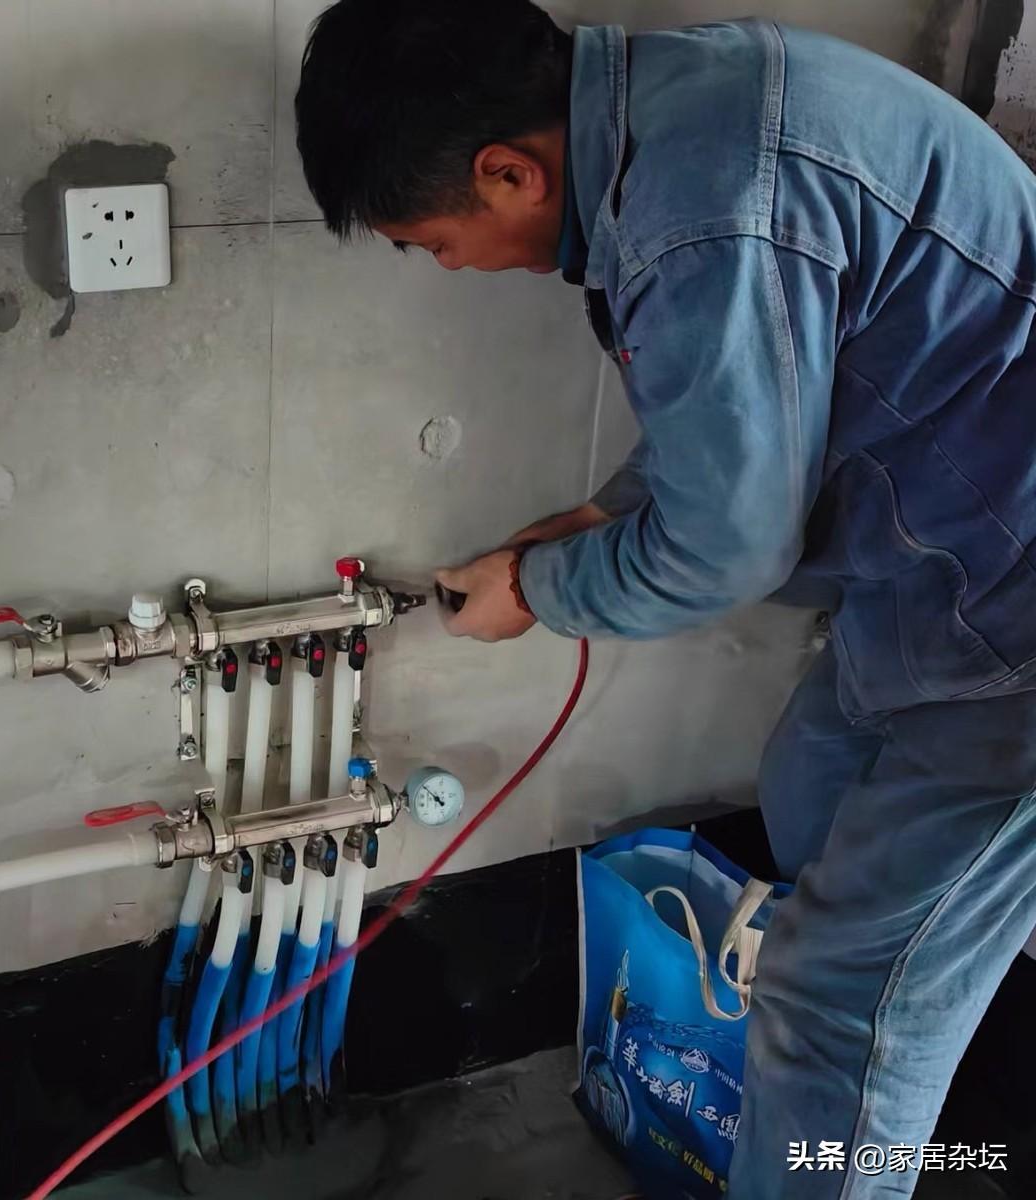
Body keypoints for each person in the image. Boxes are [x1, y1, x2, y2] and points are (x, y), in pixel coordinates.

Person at [294, 2, 1036, 1196]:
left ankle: (860, 1103)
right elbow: (754, 400)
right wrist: (596, 523)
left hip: (1012, 634)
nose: (453, 268)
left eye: (434, 244)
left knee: (840, 1005)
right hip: (940, 576)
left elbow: (725, 549)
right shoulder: (684, 115)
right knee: (810, 794)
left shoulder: (700, 212)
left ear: (507, 173)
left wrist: (539, 590)